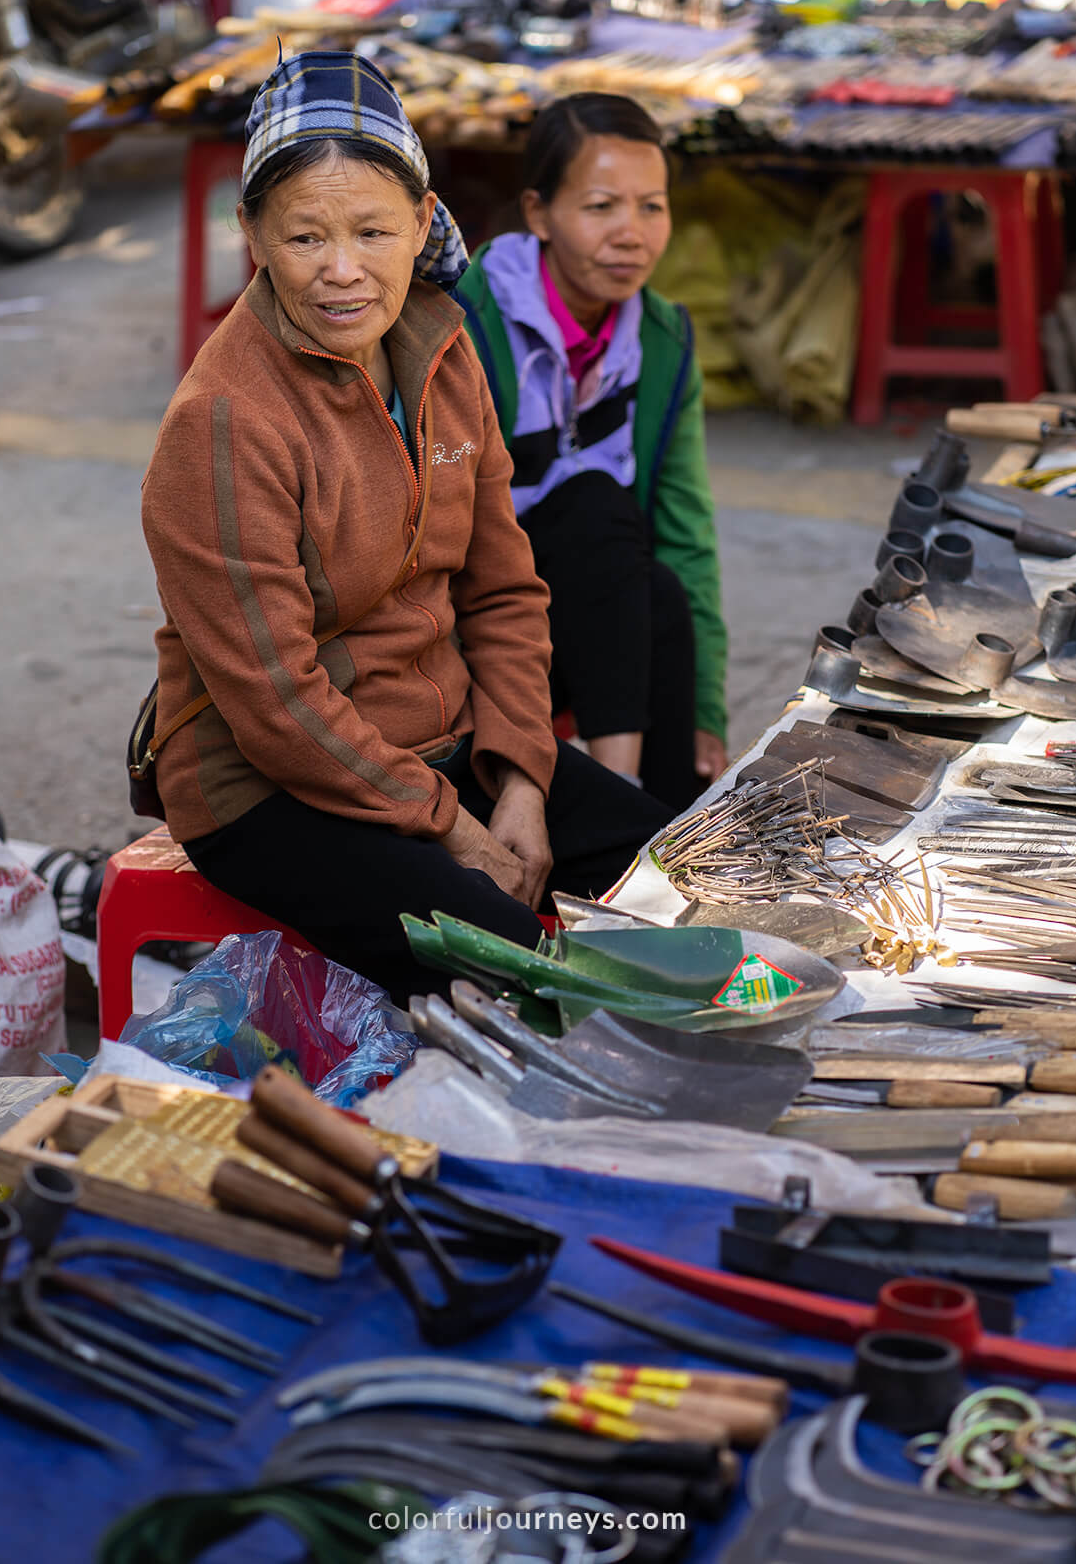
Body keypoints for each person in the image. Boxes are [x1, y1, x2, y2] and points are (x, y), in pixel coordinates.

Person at [140, 51, 667, 1005]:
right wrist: (453, 828)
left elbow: (503, 590)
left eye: (374, 231)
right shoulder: (220, 422)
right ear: (251, 233)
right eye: (304, 238)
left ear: (423, 222)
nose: (343, 272)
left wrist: (520, 781)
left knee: (687, 885)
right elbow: (277, 705)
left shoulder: (440, 349)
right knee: (529, 979)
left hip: (446, 743)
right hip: (270, 789)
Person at [457, 92, 728, 812]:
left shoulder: (662, 339)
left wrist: (708, 708)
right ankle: (627, 807)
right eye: (601, 206)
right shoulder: (464, 325)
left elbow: (685, 533)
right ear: (539, 213)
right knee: (592, 503)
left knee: (661, 589)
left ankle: (663, 840)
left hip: (598, 628)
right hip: (474, 638)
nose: (631, 235)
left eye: (651, 207)